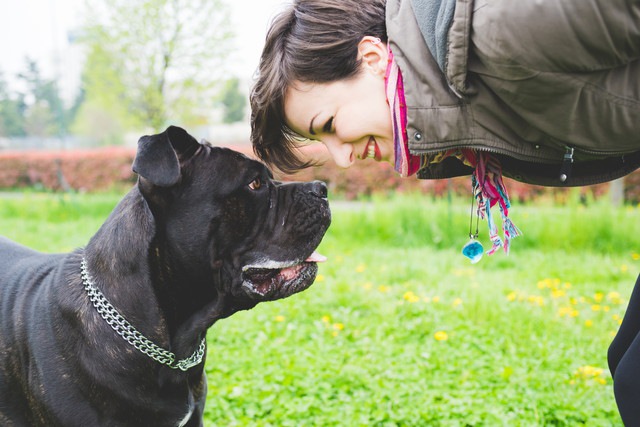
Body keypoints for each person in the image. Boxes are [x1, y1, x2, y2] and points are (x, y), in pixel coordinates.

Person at [249, 0, 640, 421]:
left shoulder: (501, 28)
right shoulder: (458, 103)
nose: (341, 159)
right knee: (629, 367)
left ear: (372, 57)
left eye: (329, 125)